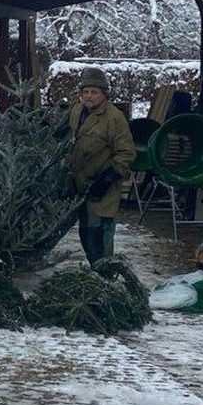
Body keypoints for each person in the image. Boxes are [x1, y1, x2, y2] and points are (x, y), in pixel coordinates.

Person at [65, 67, 135, 264]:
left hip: (102, 186)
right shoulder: (77, 111)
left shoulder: (114, 118)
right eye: (85, 92)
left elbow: (126, 153)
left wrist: (106, 179)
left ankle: (106, 274)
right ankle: (95, 268)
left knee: (100, 234)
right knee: (85, 232)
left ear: (104, 94)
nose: (89, 96)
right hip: (80, 183)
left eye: (94, 92)